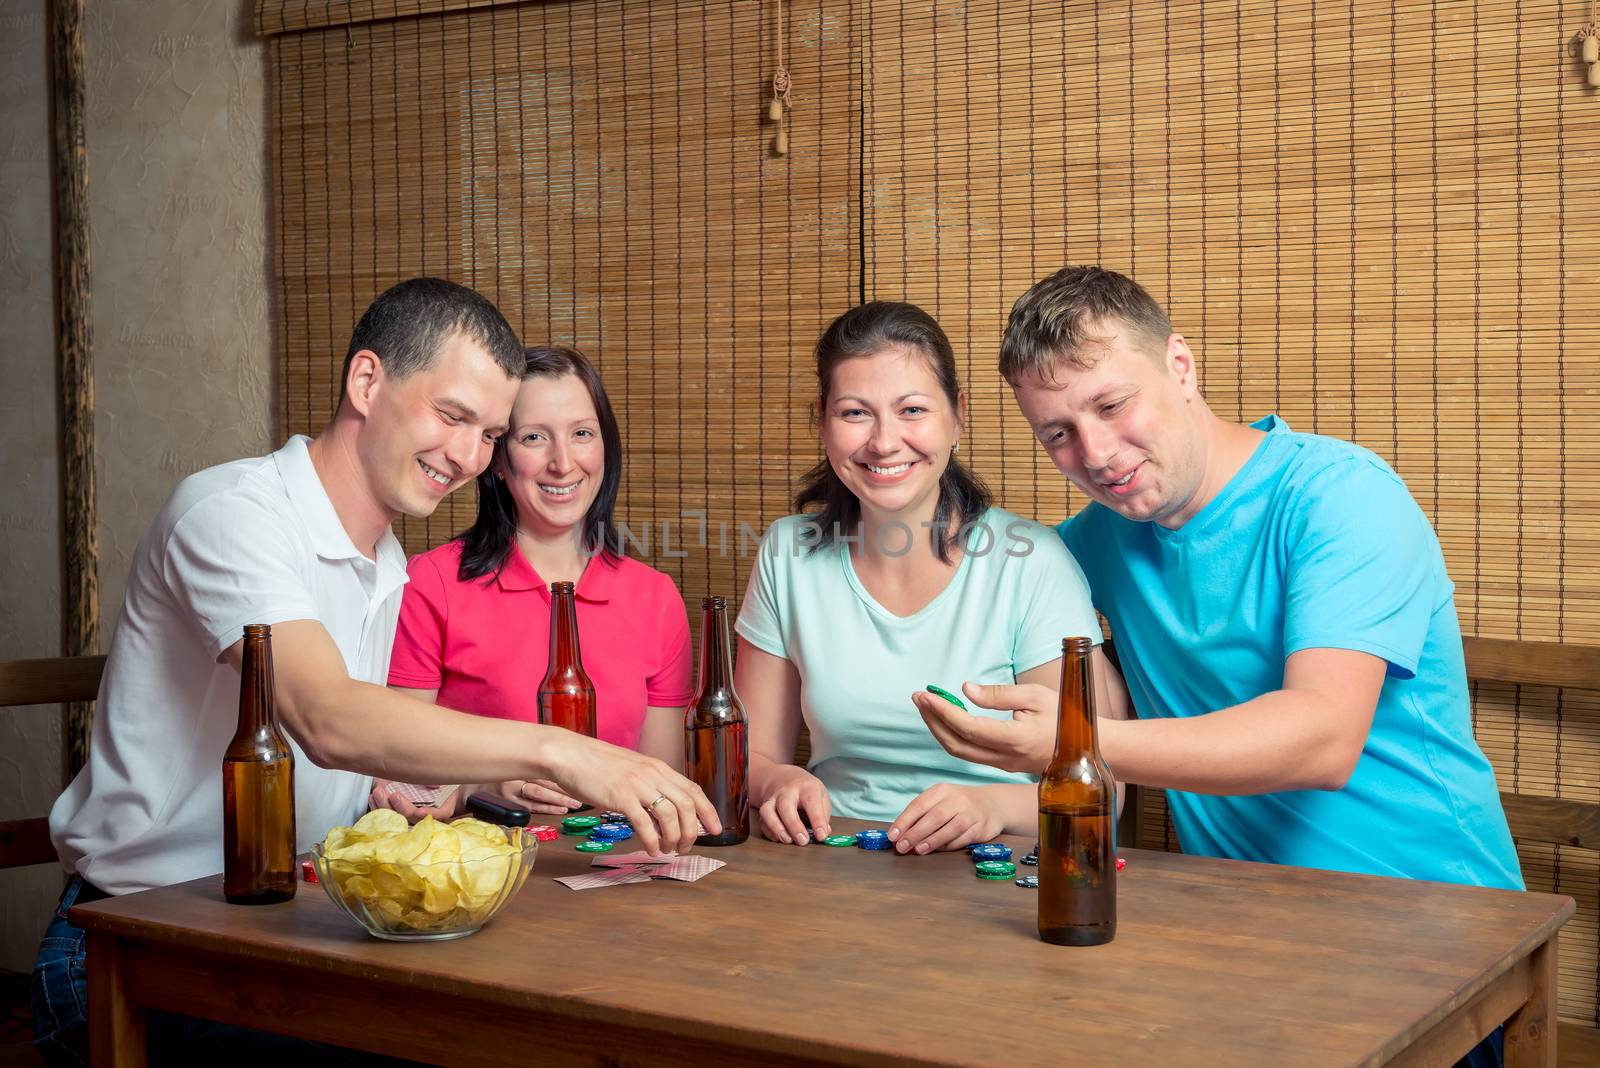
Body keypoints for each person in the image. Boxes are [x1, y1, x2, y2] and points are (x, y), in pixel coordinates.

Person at [35, 279, 717, 1065]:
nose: (466, 456)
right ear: (367, 381)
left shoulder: (387, 564)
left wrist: (416, 790)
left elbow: (359, 763)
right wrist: (565, 749)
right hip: (133, 943)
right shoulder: (231, 513)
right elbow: (328, 720)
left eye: (490, 433)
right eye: (452, 415)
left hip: (292, 923)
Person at [916, 265, 1519, 1064]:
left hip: (1432, 935)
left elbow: (1322, 739)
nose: (1094, 453)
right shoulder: (1094, 542)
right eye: (1055, 432)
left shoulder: (1342, 497)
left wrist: (1072, 746)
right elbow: (963, 568)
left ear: (1180, 366)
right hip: (1236, 932)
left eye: (1111, 404)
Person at [734, 301, 1116, 855]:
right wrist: (776, 781)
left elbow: (1102, 786)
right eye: (854, 413)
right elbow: (750, 756)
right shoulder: (788, 553)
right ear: (822, 421)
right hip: (828, 859)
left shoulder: (1033, 560)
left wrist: (990, 809)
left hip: (992, 866)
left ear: (958, 415)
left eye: (912, 410)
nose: (885, 442)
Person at [381, 345, 693, 818]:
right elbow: (390, 763)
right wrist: (475, 788)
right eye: (533, 438)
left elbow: (661, 784)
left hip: (611, 864)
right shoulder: (433, 583)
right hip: (481, 865)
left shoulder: (656, 598)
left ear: (605, 448)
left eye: (582, 434)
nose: (563, 463)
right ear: (499, 459)